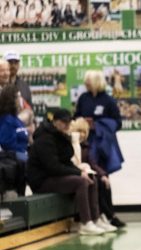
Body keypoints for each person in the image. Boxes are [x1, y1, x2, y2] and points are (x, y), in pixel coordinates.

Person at [27, 109, 112, 235]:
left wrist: (80, 170)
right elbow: (53, 167)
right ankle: (85, 222)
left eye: (68, 122)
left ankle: (95, 219)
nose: (67, 125)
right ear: (55, 121)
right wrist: (78, 173)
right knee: (80, 181)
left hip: (53, 176)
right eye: (64, 122)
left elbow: (66, 161)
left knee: (91, 178)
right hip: (42, 181)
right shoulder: (45, 139)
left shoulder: (60, 135)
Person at [74, 70, 126, 228]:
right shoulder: (83, 98)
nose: (86, 84)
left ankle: (109, 214)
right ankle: (99, 215)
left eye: (88, 81)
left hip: (102, 145)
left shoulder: (108, 100)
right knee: (93, 179)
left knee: (103, 180)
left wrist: (99, 124)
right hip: (87, 144)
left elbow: (118, 122)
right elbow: (76, 116)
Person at [69, 117, 119, 232]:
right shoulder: (70, 145)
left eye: (83, 132)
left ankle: (100, 216)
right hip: (75, 173)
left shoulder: (86, 146)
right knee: (92, 182)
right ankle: (91, 219)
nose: (81, 134)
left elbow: (93, 163)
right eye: (78, 131)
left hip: (84, 172)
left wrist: (103, 175)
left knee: (102, 181)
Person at [0, 84, 28, 162]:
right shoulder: (7, 120)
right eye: (18, 96)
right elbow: (6, 144)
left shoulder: (16, 119)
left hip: (23, 155)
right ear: (11, 99)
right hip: (14, 159)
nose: (21, 99)